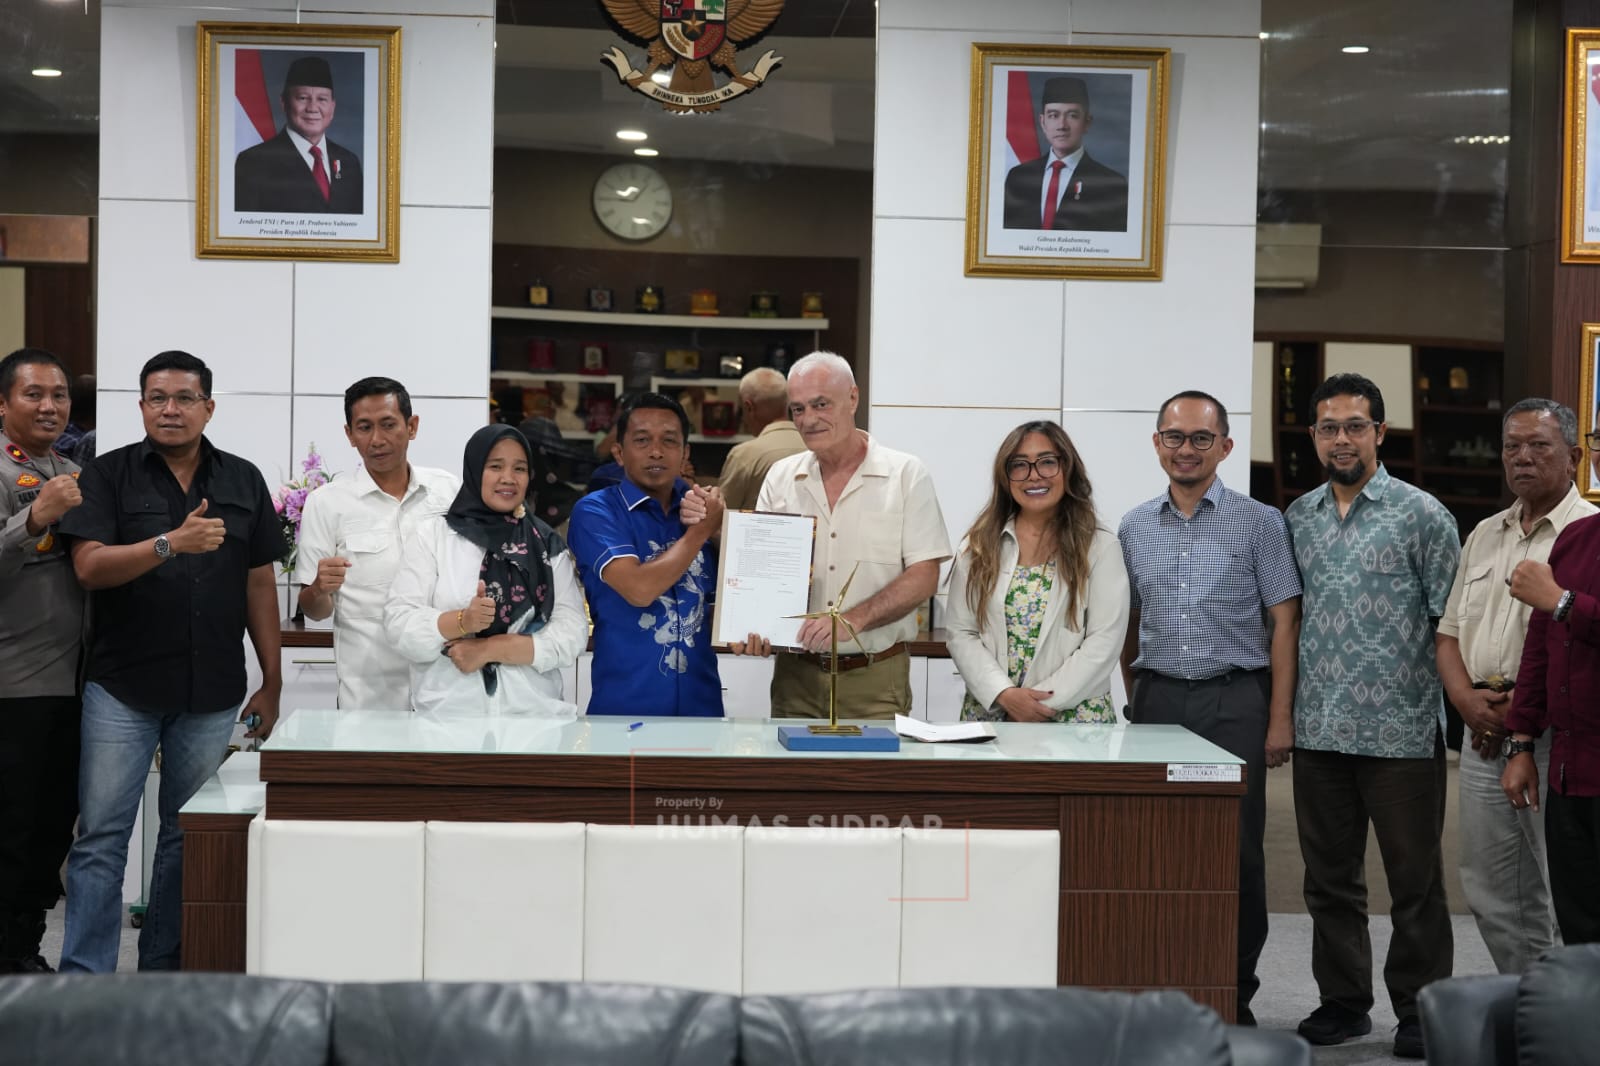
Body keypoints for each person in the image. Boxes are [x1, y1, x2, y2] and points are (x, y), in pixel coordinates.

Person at [56, 350, 286, 972]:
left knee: (186, 836)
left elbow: (259, 582)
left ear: (208, 407)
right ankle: (85, 979)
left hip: (211, 691)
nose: (170, 409)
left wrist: (272, 679)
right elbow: (88, 567)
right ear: (140, 406)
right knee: (102, 838)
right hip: (122, 687)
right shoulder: (106, 474)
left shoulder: (242, 479)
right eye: (157, 398)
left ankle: (163, 971)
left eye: (184, 398)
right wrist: (169, 543)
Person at [1283, 373, 1459, 1059]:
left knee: (1415, 883)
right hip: (1320, 729)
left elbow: (1451, 625)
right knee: (1329, 881)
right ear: (1314, 436)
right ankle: (1343, 1002)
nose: (1342, 439)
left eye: (1355, 426)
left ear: (1380, 433)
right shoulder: (1298, 517)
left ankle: (1420, 1009)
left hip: (1402, 731)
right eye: (1329, 427)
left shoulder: (1423, 515)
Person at [1117, 390, 1301, 1027]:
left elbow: (1285, 624)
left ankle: (1232, 992)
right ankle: (1164, 981)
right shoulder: (1134, 526)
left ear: (1225, 446)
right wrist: (1135, 697)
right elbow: (1128, 623)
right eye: (1174, 437)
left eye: (1200, 438)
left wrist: (1279, 719)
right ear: (1157, 444)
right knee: (1155, 847)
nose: (1186, 450)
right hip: (1158, 700)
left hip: (1234, 700)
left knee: (1236, 851)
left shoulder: (1260, 522)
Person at [1438, 399, 1594, 973]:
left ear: (1573, 456)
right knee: (1493, 889)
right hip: (1481, 735)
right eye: (1512, 447)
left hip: (1555, 739)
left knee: (1563, 891)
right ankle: (1530, 1002)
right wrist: (1467, 703)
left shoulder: (1586, 533)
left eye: (1538, 446)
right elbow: (1448, 634)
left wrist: (1523, 721)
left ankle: (1571, 1009)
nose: (1522, 457)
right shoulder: (1484, 533)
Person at [748, 351, 951, 719]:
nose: (809, 419)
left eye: (821, 404)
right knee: (788, 761)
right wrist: (754, 626)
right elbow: (761, 576)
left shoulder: (906, 474)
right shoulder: (780, 477)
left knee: (874, 763)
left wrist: (853, 620)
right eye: (798, 409)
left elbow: (925, 575)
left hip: (876, 680)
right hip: (795, 680)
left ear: (853, 398)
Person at [384, 425, 587, 716]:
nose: (508, 478)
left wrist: (491, 649)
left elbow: (572, 633)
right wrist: (462, 621)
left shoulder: (545, 543)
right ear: (475, 469)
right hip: (448, 719)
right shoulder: (433, 536)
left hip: (533, 720)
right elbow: (399, 624)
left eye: (519, 468)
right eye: (495, 466)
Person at [945, 420, 1128, 724]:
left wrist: (1037, 704)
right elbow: (961, 632)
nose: (1034, 475)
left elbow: (1104, 641)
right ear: (1005, 477)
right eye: (1020, 465)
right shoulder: (979, 545)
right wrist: (1005, 695)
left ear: (1068, 468)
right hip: (994, 712)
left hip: (1074, 718)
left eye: (1047, 462)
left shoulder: (1100, 546)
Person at [295, 377, 459, 711]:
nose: (377, 440)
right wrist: (320, 589)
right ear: (349, 434)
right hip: (369, 697)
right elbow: (315, 611)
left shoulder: (448, 491)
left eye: (388, 424)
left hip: (447, 688)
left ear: (411, 427)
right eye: (364, 427)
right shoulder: (326, 503)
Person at [0, 348, 85, 973]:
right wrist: (33, 517)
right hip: (11, 685)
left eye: (58, 395)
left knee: (53, 828)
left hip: (73, 683)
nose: (49, 406)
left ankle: (22, 949)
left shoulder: (73, 470)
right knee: (11, 830)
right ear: (3, 404)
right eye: (33, 394)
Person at [1503, 408, 1600, 946]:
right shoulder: (1576, 538)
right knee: (1579, 931)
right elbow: (1539, 649)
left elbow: (1557, 609)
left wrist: (1563, 602)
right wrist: (1520, 743)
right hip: (1570, 771)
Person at [568, 393, 726, 716]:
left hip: (704, 711)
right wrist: (701, 532)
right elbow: (639, 590)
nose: (656, 451)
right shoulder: (596, 511)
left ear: (685, 453)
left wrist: (721, 531)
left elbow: (718, 605)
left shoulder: (702, 509)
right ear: (619, 453)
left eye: (669, 441)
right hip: (624, 711)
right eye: (642, 440)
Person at [234, 56, 364, 215]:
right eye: (303, 98)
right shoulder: (253, 162)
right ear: (284, 103)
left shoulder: (349, 162)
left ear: (332, 107)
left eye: (322, 99)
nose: (312, 108)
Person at [1002, 76, 1128, 232]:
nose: (1062, 125)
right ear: (1043, 122)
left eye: (1072, 115)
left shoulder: (1111, 184)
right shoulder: (1018, 177)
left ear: (1087, 122)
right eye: (1053, 115)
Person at [716, 367, 805, 512]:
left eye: (742, 410)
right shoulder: (816, 448)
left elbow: (721, 514)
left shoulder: (744, 455)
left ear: (749, 407)